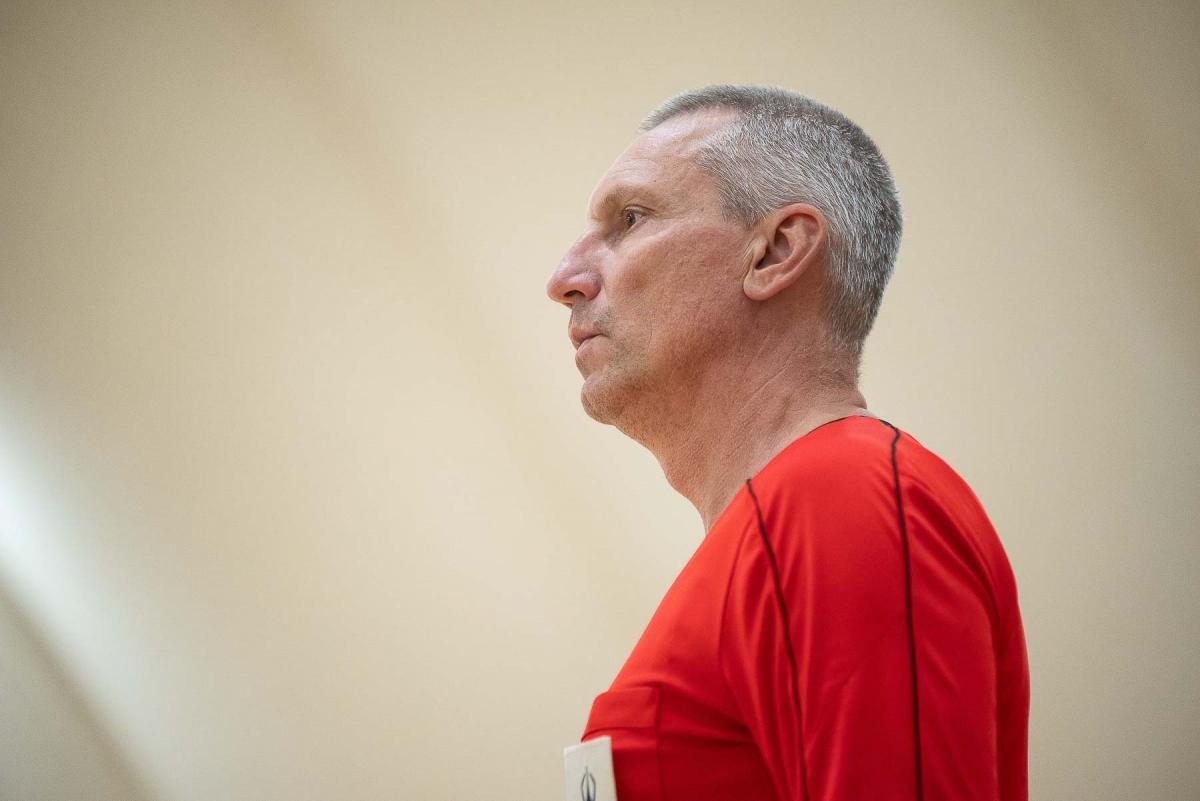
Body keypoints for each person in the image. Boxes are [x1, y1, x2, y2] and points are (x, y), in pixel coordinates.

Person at [545, 85, 1029, 801]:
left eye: (631, 218)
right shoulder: (785, 523)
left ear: (774, 252)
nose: (564, 280)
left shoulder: (843, 500)